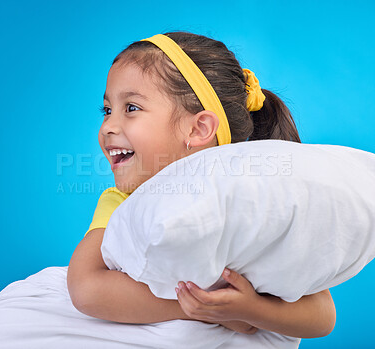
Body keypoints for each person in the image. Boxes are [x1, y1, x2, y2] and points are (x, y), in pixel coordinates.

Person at [66, 31, 336, 341]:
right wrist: (200, 308)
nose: (107, 127)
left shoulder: (253, 202)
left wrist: (249, 310)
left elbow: (323, 316)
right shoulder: (123, 202)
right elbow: (86, 288)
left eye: (131, 108)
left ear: (199, 128)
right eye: (107, 110)